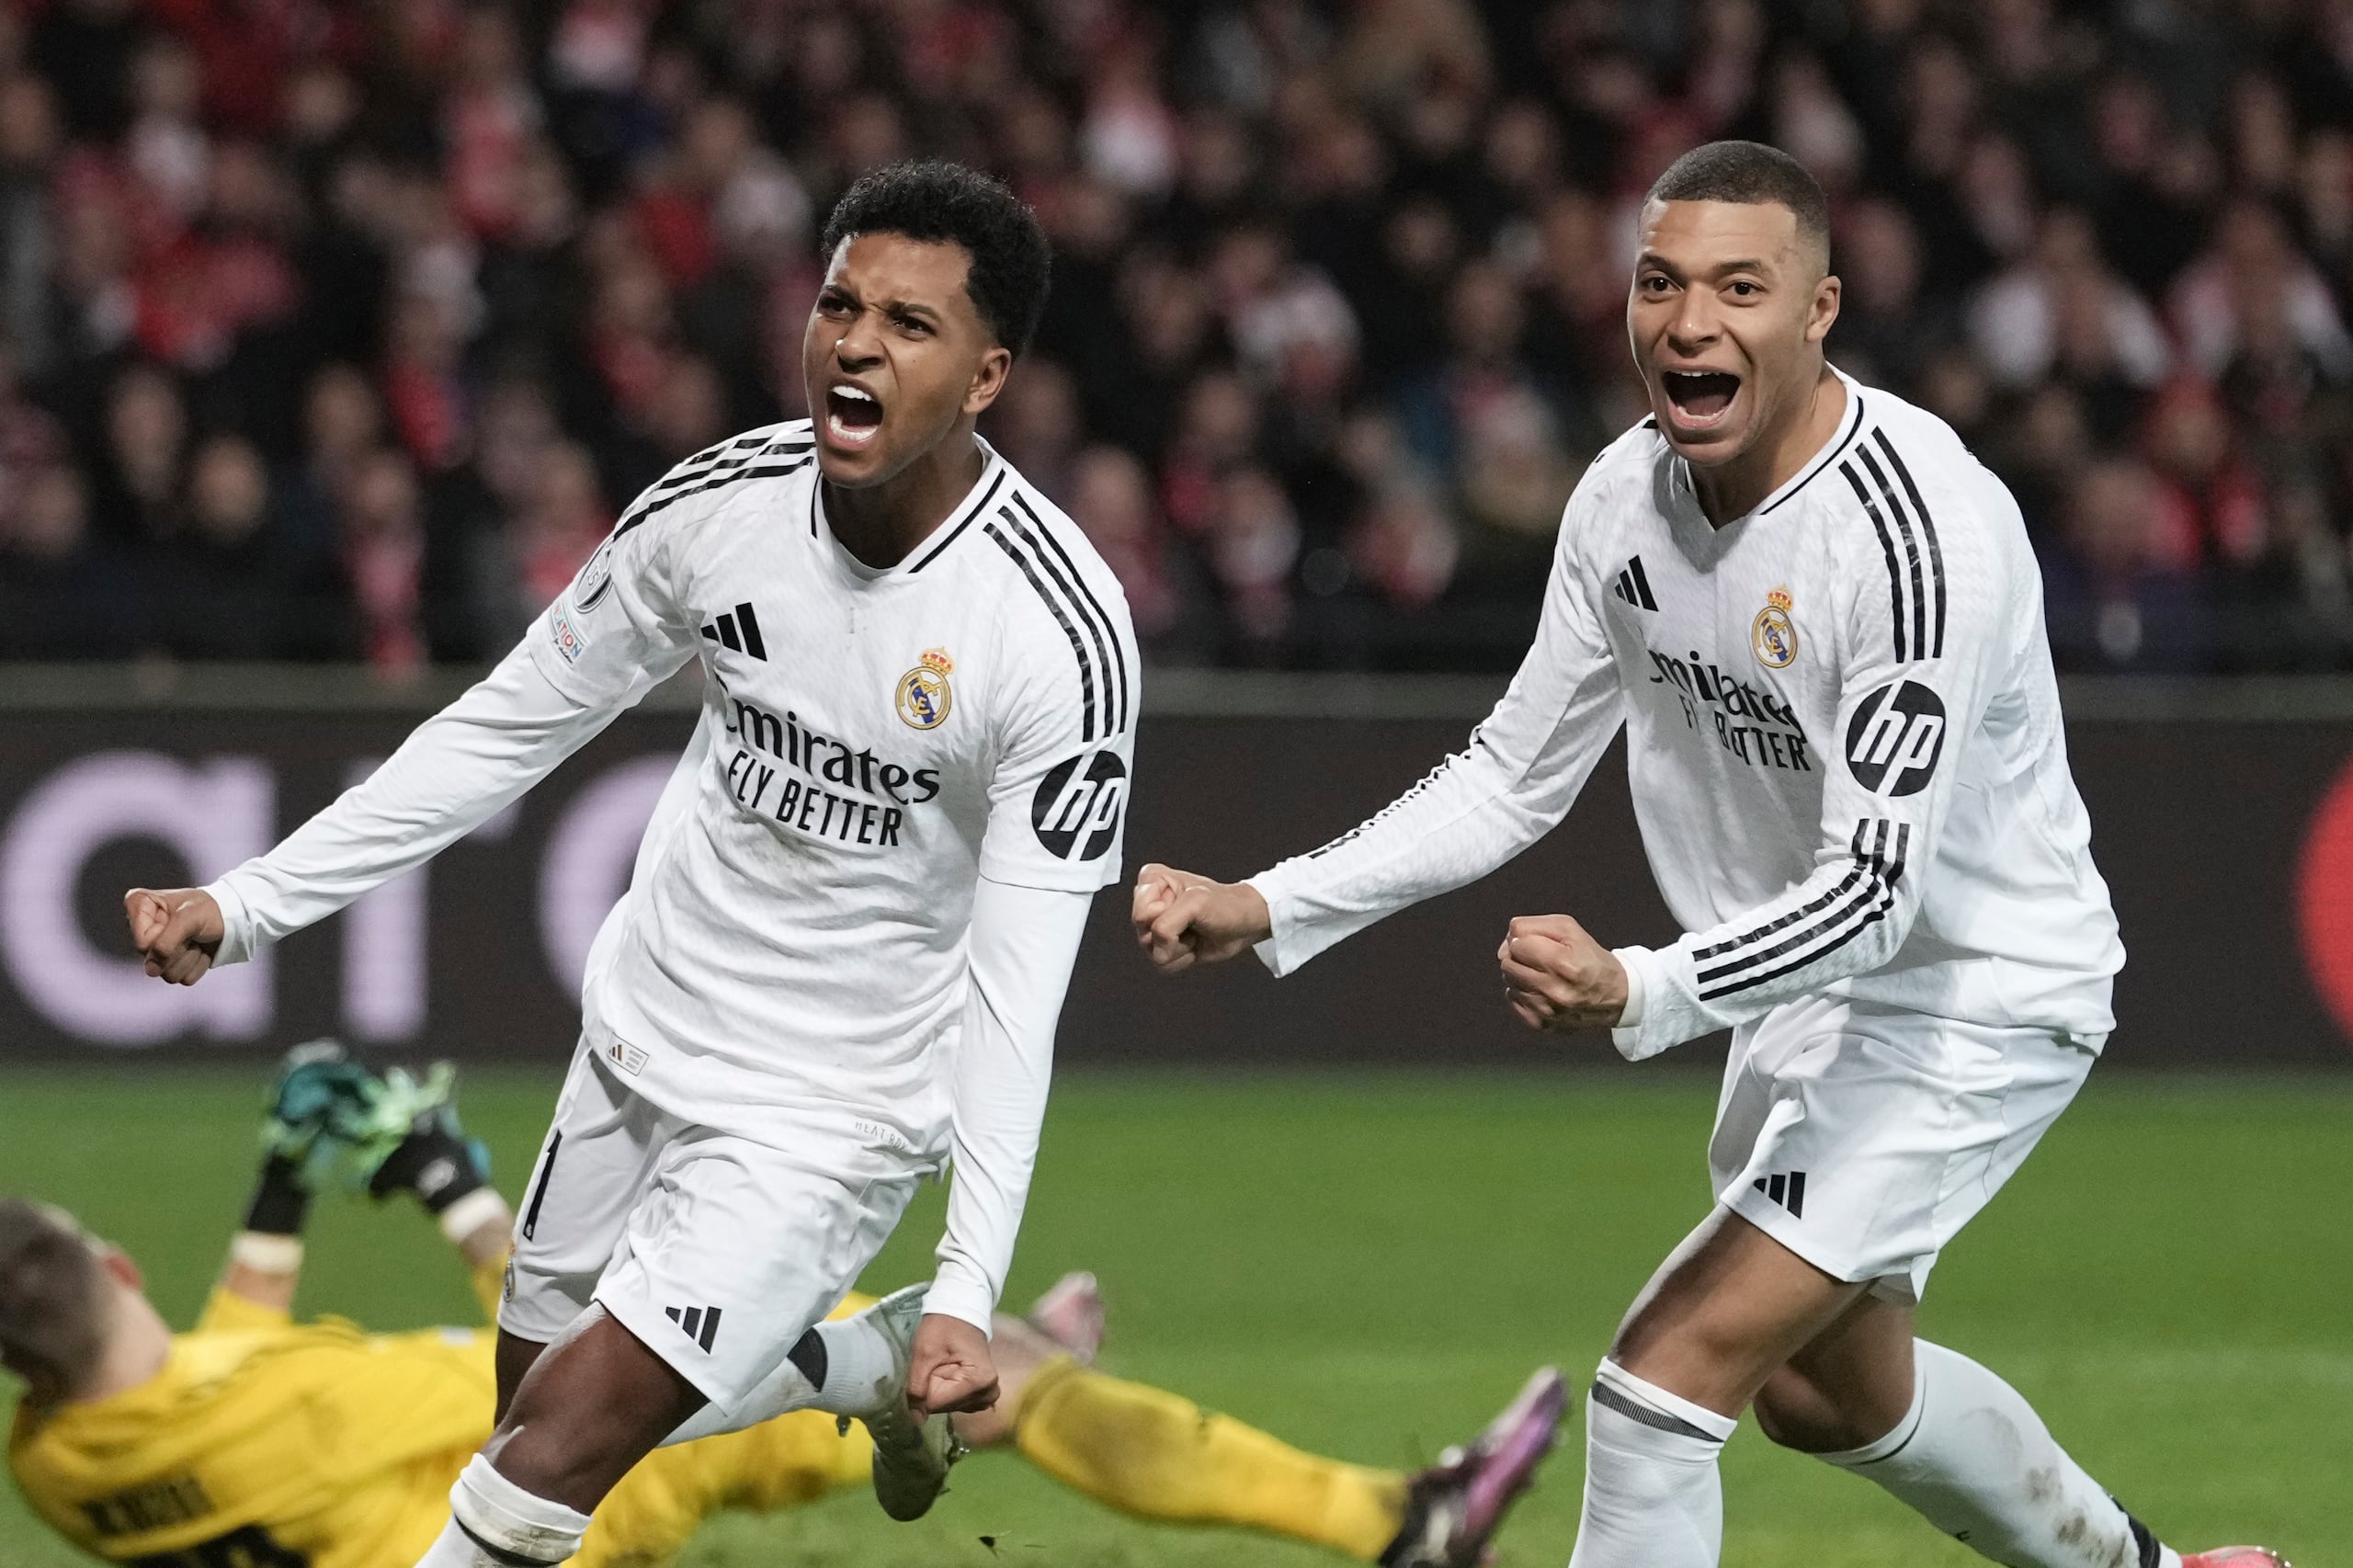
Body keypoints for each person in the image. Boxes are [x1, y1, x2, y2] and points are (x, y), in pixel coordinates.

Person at [1131, 141, 2286, 1568]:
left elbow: (1874, 888)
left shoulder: (1917, 539)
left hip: (1974, 988)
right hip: (1804, 992)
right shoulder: (1625, 501)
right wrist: (1266, 901)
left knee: (1663, 1370)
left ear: (1820, 311)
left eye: (1742, 287)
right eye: (1661, 283)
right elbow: (1508, 771)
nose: (1691, 322)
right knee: (1828, 1389)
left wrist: (1643, 988)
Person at [120, 159, 1142, 1568]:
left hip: (831, 1109)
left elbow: (1021, 995)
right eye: (841, 303)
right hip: (639, 1037)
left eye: (910, 325)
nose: (854, 341)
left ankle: (913, 1332)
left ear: (985, 377)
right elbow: (501, 731)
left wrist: (972, 1277)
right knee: (525, 1428)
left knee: (557, 1448)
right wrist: (242, 907)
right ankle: (872, 1361)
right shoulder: (715, 511)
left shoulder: (1049, 634)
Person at [2, 1049, 1567, 1568]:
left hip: (491, 1504)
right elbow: (554, 1386)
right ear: (118, 1263)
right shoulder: (295, 1401)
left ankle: (951, 1357)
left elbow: (215, 1355)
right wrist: (446, 1181)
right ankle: (1395, 1517)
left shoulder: (60, 1466)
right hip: (605, 1479)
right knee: (982, 1375)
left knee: (972, 1365)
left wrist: (286, 1187)